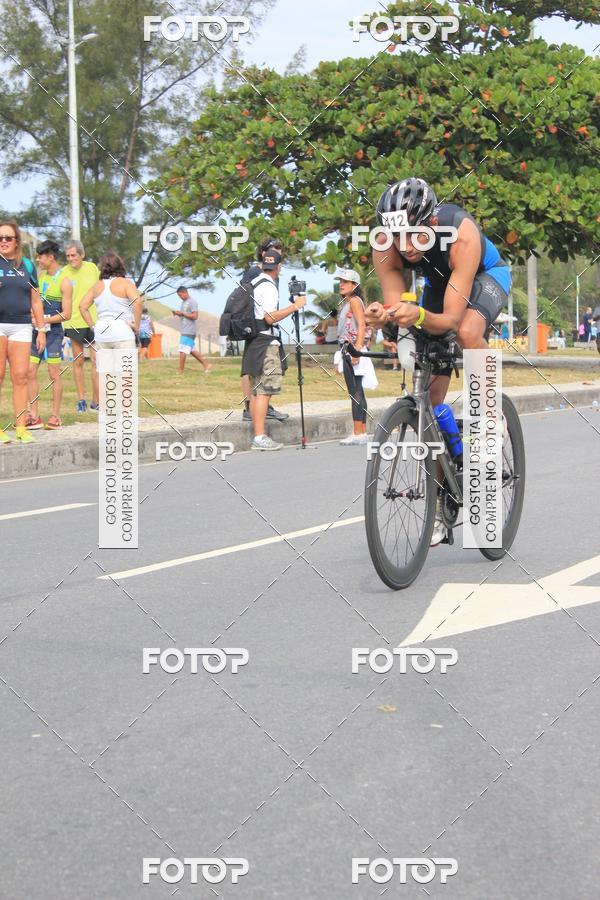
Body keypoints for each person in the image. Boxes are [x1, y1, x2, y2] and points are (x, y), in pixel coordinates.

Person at [366, 177, 511, 546]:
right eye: (398, 237)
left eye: (415, 235)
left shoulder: (460, 233)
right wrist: (383, 314)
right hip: (436, 285)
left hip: (483, 277)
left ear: (431, 224)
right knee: (428, 404)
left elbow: (448, 319)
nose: (407, 247)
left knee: (464, 332)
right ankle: (440, 501)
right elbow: (398, 304)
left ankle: (489, 413)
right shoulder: (384, 244)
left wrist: (414, 315)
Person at [241, 249, 306, 451]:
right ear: (279, 267)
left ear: (263, 264)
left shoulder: (254, 282)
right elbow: (270, 317)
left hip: (253, 343)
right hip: (267, 344)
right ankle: (260, 437)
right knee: (264, 392)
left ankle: (258, 435)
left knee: (256, 391)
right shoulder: (269, 286)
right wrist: (295, 307)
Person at [0, 221, 46, 443]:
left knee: (20, 377)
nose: (3, 242)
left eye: (8, 238)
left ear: (16, 241)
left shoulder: (27, 265)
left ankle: (20, 428)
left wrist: (42, 329)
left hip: (22, 326)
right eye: (0, 238)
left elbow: (36, 300)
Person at [240, 237, 288, 423]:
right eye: (273, 248)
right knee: (254, 371)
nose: (278, 250)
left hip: (262, 329)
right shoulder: (255, 273)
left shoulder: (268, 274)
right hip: (257, 329)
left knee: (259, 371)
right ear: (263, 253)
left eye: (279, 247)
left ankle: (259, 406)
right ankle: (251, 406)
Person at [26, 239, 73, 430]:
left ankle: (55, 416)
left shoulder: (65, 282)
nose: (37, 260)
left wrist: (45, 320)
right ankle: (34, 415)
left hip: (53, 333)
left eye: (40, 256)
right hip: (36, 330)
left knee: (54, 373)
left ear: (51, 257)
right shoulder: (40, 278)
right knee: (30, 371)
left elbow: (67, 314)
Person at [62, 240, 100, 412]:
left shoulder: (92, 268)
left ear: (82, 255)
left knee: (96, 362)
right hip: (74, 322)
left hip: (93, 321)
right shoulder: (63, 272)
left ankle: (96, 401)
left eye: (74, 255)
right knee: (78, 362)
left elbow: (101, 288)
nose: (71, 259)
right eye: (68, 256)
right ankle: (81, 400)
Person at [335, 269, 372, 445]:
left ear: (355, 285)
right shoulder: (347, 302)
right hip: (348, 348)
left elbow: (362, 325)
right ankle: (362, 432)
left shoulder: (355, 302)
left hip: (352, 349)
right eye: (340, 281)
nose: (341, 284)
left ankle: (357, 433)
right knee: (358, 390)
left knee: (355, 391)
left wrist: (356, 349)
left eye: (346, 281)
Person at [79, 252, 142, 349]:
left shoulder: (96, 286)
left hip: (102, 334)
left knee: (104, 365)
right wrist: (136, 326)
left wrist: (93, 327)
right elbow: (137, 302)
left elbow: (82, 307)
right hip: (123, 333)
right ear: (120, 265)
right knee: (126, 365)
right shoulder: (125, 283)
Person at [174, 286, 212, 373]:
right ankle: (206, 365)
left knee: (182, 350)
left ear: (184, 292)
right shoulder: (184, 302)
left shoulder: (192, 302)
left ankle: (180, 370)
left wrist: (183, 314)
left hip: (189, 330)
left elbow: (195, 316)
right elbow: (185, 314)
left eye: (180, 295)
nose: (180, 297)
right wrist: (178, 314)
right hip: (185, 329)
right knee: (191, 350)